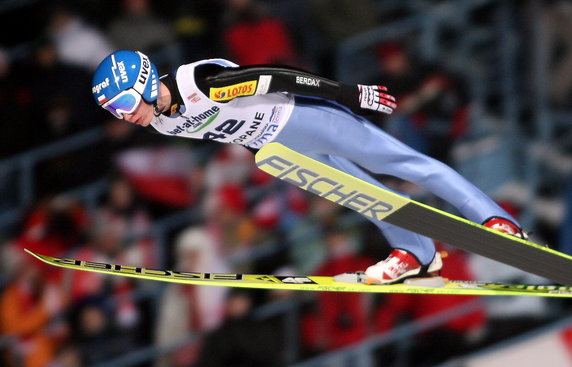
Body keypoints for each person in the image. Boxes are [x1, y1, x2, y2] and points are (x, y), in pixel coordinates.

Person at [90, 50, 527, 284]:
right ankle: (417, 253)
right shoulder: (158, 123)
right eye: (115, 111)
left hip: (305, 119)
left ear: (145, 82)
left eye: (126, 102)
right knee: (366, 196)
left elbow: (280, 76)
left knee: (406, 164)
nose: (126, 116)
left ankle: (496, 220)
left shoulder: (203, 84)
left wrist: (351, 94)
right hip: (279, 151)